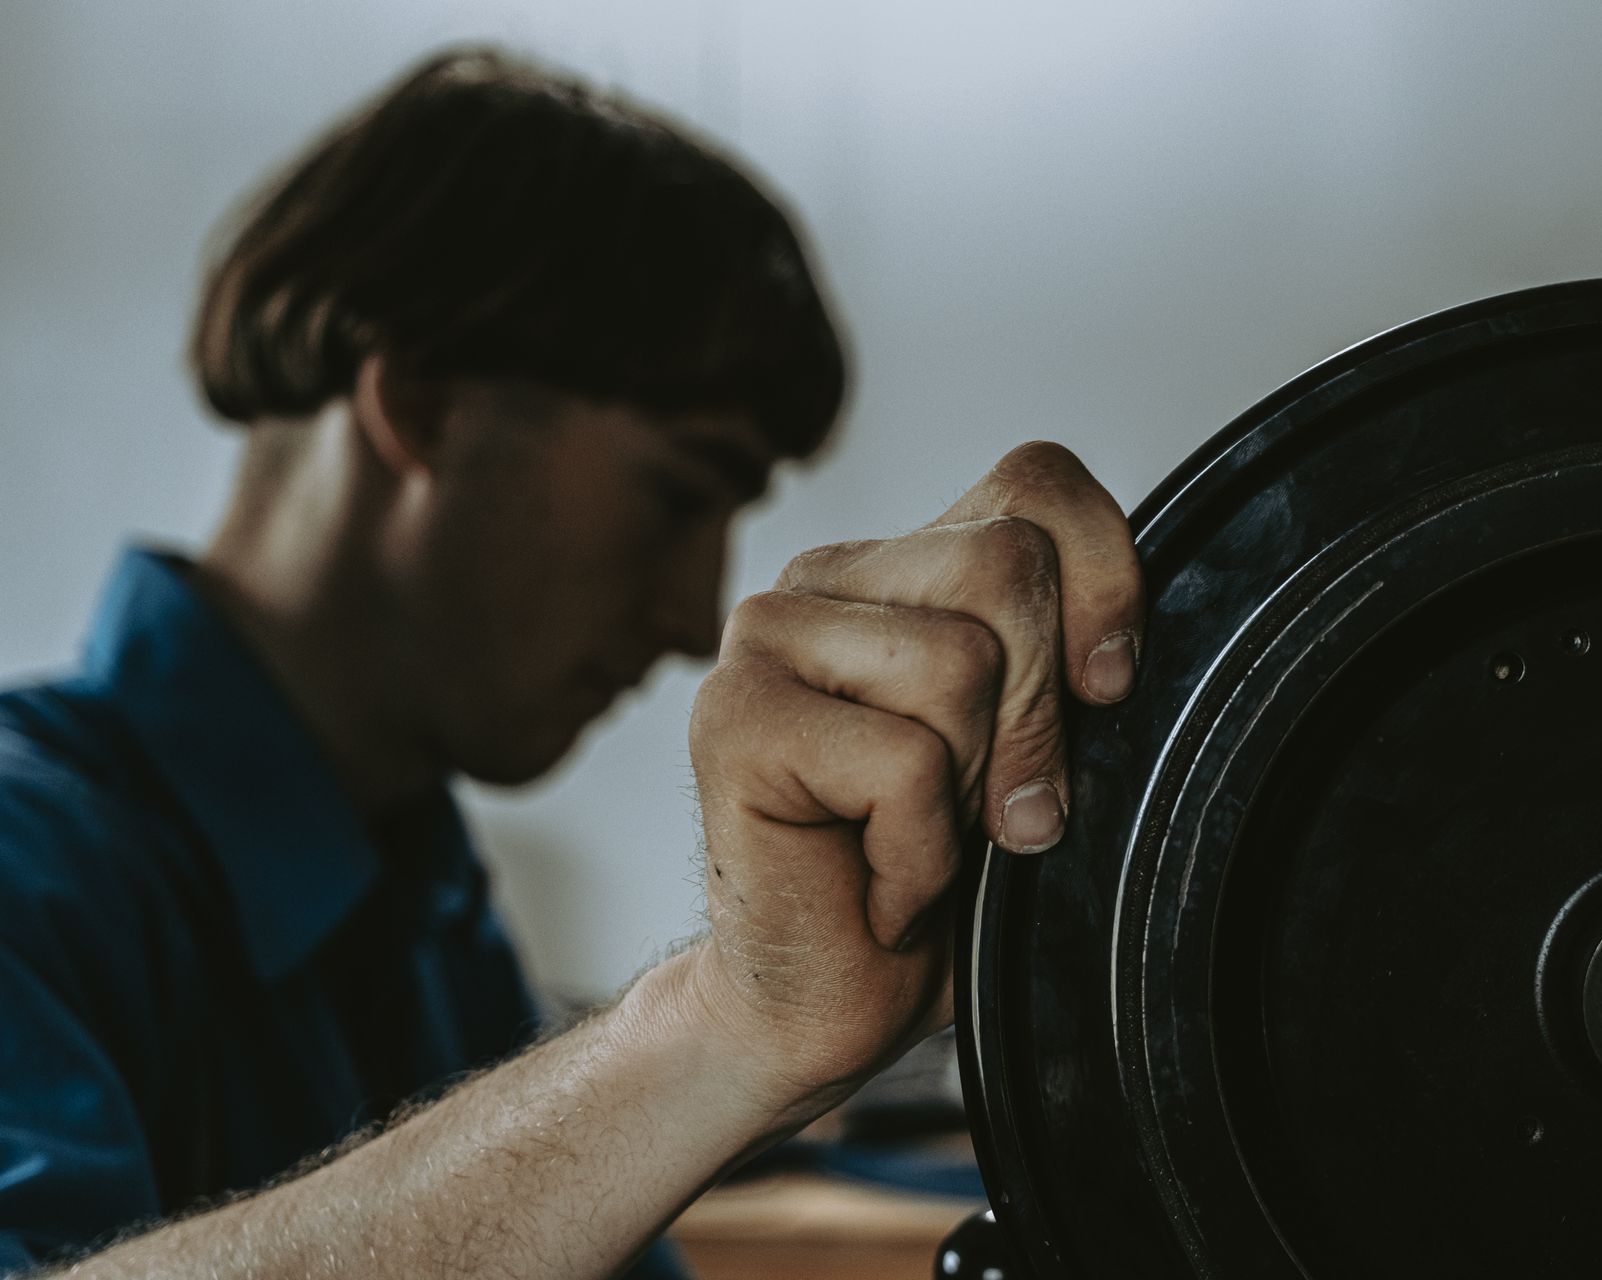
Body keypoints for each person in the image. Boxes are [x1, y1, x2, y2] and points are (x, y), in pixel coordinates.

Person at [0, 45, 1144, 1278]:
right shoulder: (30, 862)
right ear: (427, 404)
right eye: (675, 495)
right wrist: (719, 1025)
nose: (696, 616)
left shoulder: (422, 892)